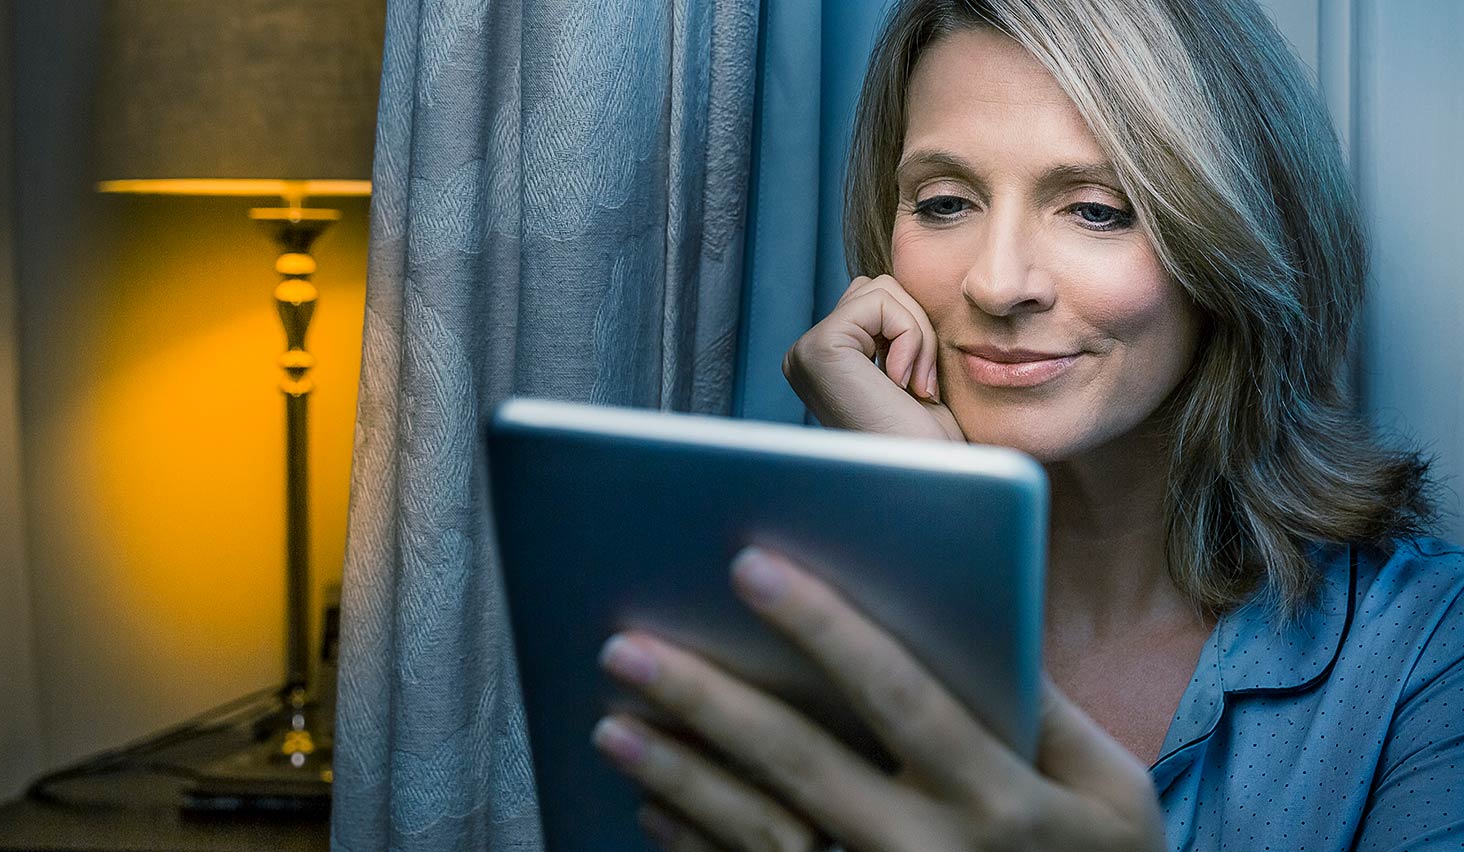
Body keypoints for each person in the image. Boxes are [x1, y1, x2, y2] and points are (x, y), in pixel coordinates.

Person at [583, 0, 1464, 849]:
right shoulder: (768, 606)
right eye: (943, 202)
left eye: (1096, 209)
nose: (999, 285)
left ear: (1228, 239)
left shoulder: (1426, 652)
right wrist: (943, 523)